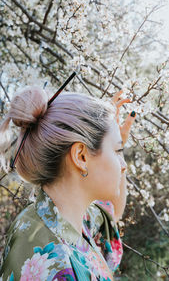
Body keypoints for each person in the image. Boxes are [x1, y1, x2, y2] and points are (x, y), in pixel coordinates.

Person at [0, 82, 136, 281]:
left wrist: (116, 140)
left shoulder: (60, 215)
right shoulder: (57, 268)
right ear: (81, 156)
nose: (123, 165)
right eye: (117, 152)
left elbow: (112, 213)